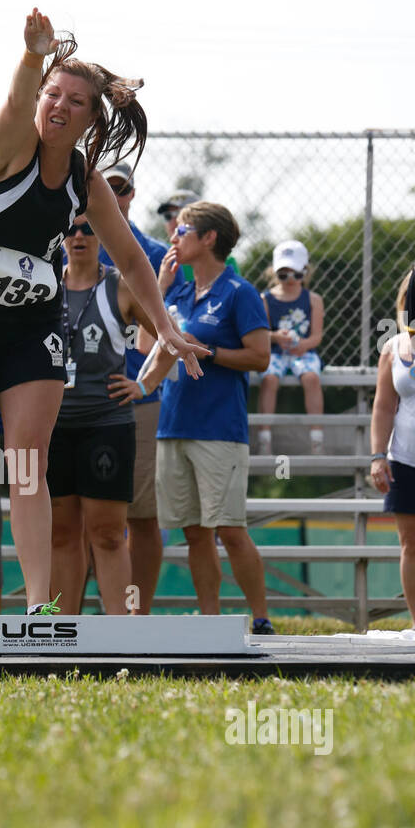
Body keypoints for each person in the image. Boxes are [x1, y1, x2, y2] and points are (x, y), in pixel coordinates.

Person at [0, 8, 206, 616]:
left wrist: (168, 329)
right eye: (53, 93)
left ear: (89, 119)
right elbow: (14, 99)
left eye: (75, 101)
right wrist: (33, 55)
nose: (58, 105)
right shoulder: (5, 145)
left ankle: (38, 605)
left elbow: (131, 260)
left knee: (28, 462)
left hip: (31, 327)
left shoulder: (84, 179)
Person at [127, 201, 276, 634]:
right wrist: (159, 285)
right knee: (194, 533)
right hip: (173, 425)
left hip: (218, 430)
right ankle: (210, 622)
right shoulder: (175, 291)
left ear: (209, 239)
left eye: (183, 230)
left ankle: (262, 618)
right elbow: (143, 346)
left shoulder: (239, 292)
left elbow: (261, 358)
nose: (173, 236)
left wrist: (203, 349)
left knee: (229, 530)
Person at [49, 213, 148, 612]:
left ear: (102, 236)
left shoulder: (119, 285)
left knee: (107, 534)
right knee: (60, 534)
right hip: (51, 425)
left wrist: (145, 383)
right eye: (70, 228)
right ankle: (59, 635)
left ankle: (120, 637)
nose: (78, 235)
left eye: (88, 228)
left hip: (106, 423)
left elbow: (167, 334)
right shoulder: (43, 285)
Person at [101, 163, 183, 613]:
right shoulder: (67, 244)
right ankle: (72, 617)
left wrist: (144, 380)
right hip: (76, 395)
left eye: (123, 187)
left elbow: (170, 327)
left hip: (141, 398)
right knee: (79, 518)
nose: (114, 195)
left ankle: (136, 615)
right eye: (106, 186)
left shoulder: (155, 253)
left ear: (133, 193)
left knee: (142, 517)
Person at [369, 266, 415, 629]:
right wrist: (377, 456)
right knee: (410, 545)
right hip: (405, 460)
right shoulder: (393, 347)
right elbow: (383, 407)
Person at [257, 240, 325, 456]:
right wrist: (276, 337)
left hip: (302, 352)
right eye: (283, 275)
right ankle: (264, 438)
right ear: (274, 273)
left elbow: (316, 336)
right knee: (269, 379)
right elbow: (260, 333)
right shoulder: (266, 299)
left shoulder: (313, 299)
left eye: (296, 274)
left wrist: (303, 344)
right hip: (276, 351)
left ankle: (317, 438)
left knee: (311, 378)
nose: (290, 280)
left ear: (305, 271)